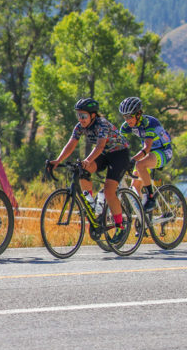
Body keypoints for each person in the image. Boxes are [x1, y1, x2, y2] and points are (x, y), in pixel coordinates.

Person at [48, 98, 131, 243]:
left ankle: (120, 226)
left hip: (119, 154)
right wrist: (58, 160)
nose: (81, 119)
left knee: (109, 190)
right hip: (104, 154)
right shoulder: (80, 126)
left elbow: (99, 146)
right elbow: (71, 144)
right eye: (78, 115)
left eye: (84, 116)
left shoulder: (102, 124)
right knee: (82, 171)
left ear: (93, 115)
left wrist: (88, 160)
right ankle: (92, 208)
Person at [118, 96, 173, 211]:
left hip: (163, 151)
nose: (127, 120)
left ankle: (151, 197)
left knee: (139, 164)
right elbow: (117, 143)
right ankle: (143, 220)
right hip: (149, 154)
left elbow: (147, 148)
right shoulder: (126, 126)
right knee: (134, 188)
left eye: (130, 116)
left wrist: (132, 160)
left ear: (138, 114)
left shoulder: (150, 123)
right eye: (125, 117)